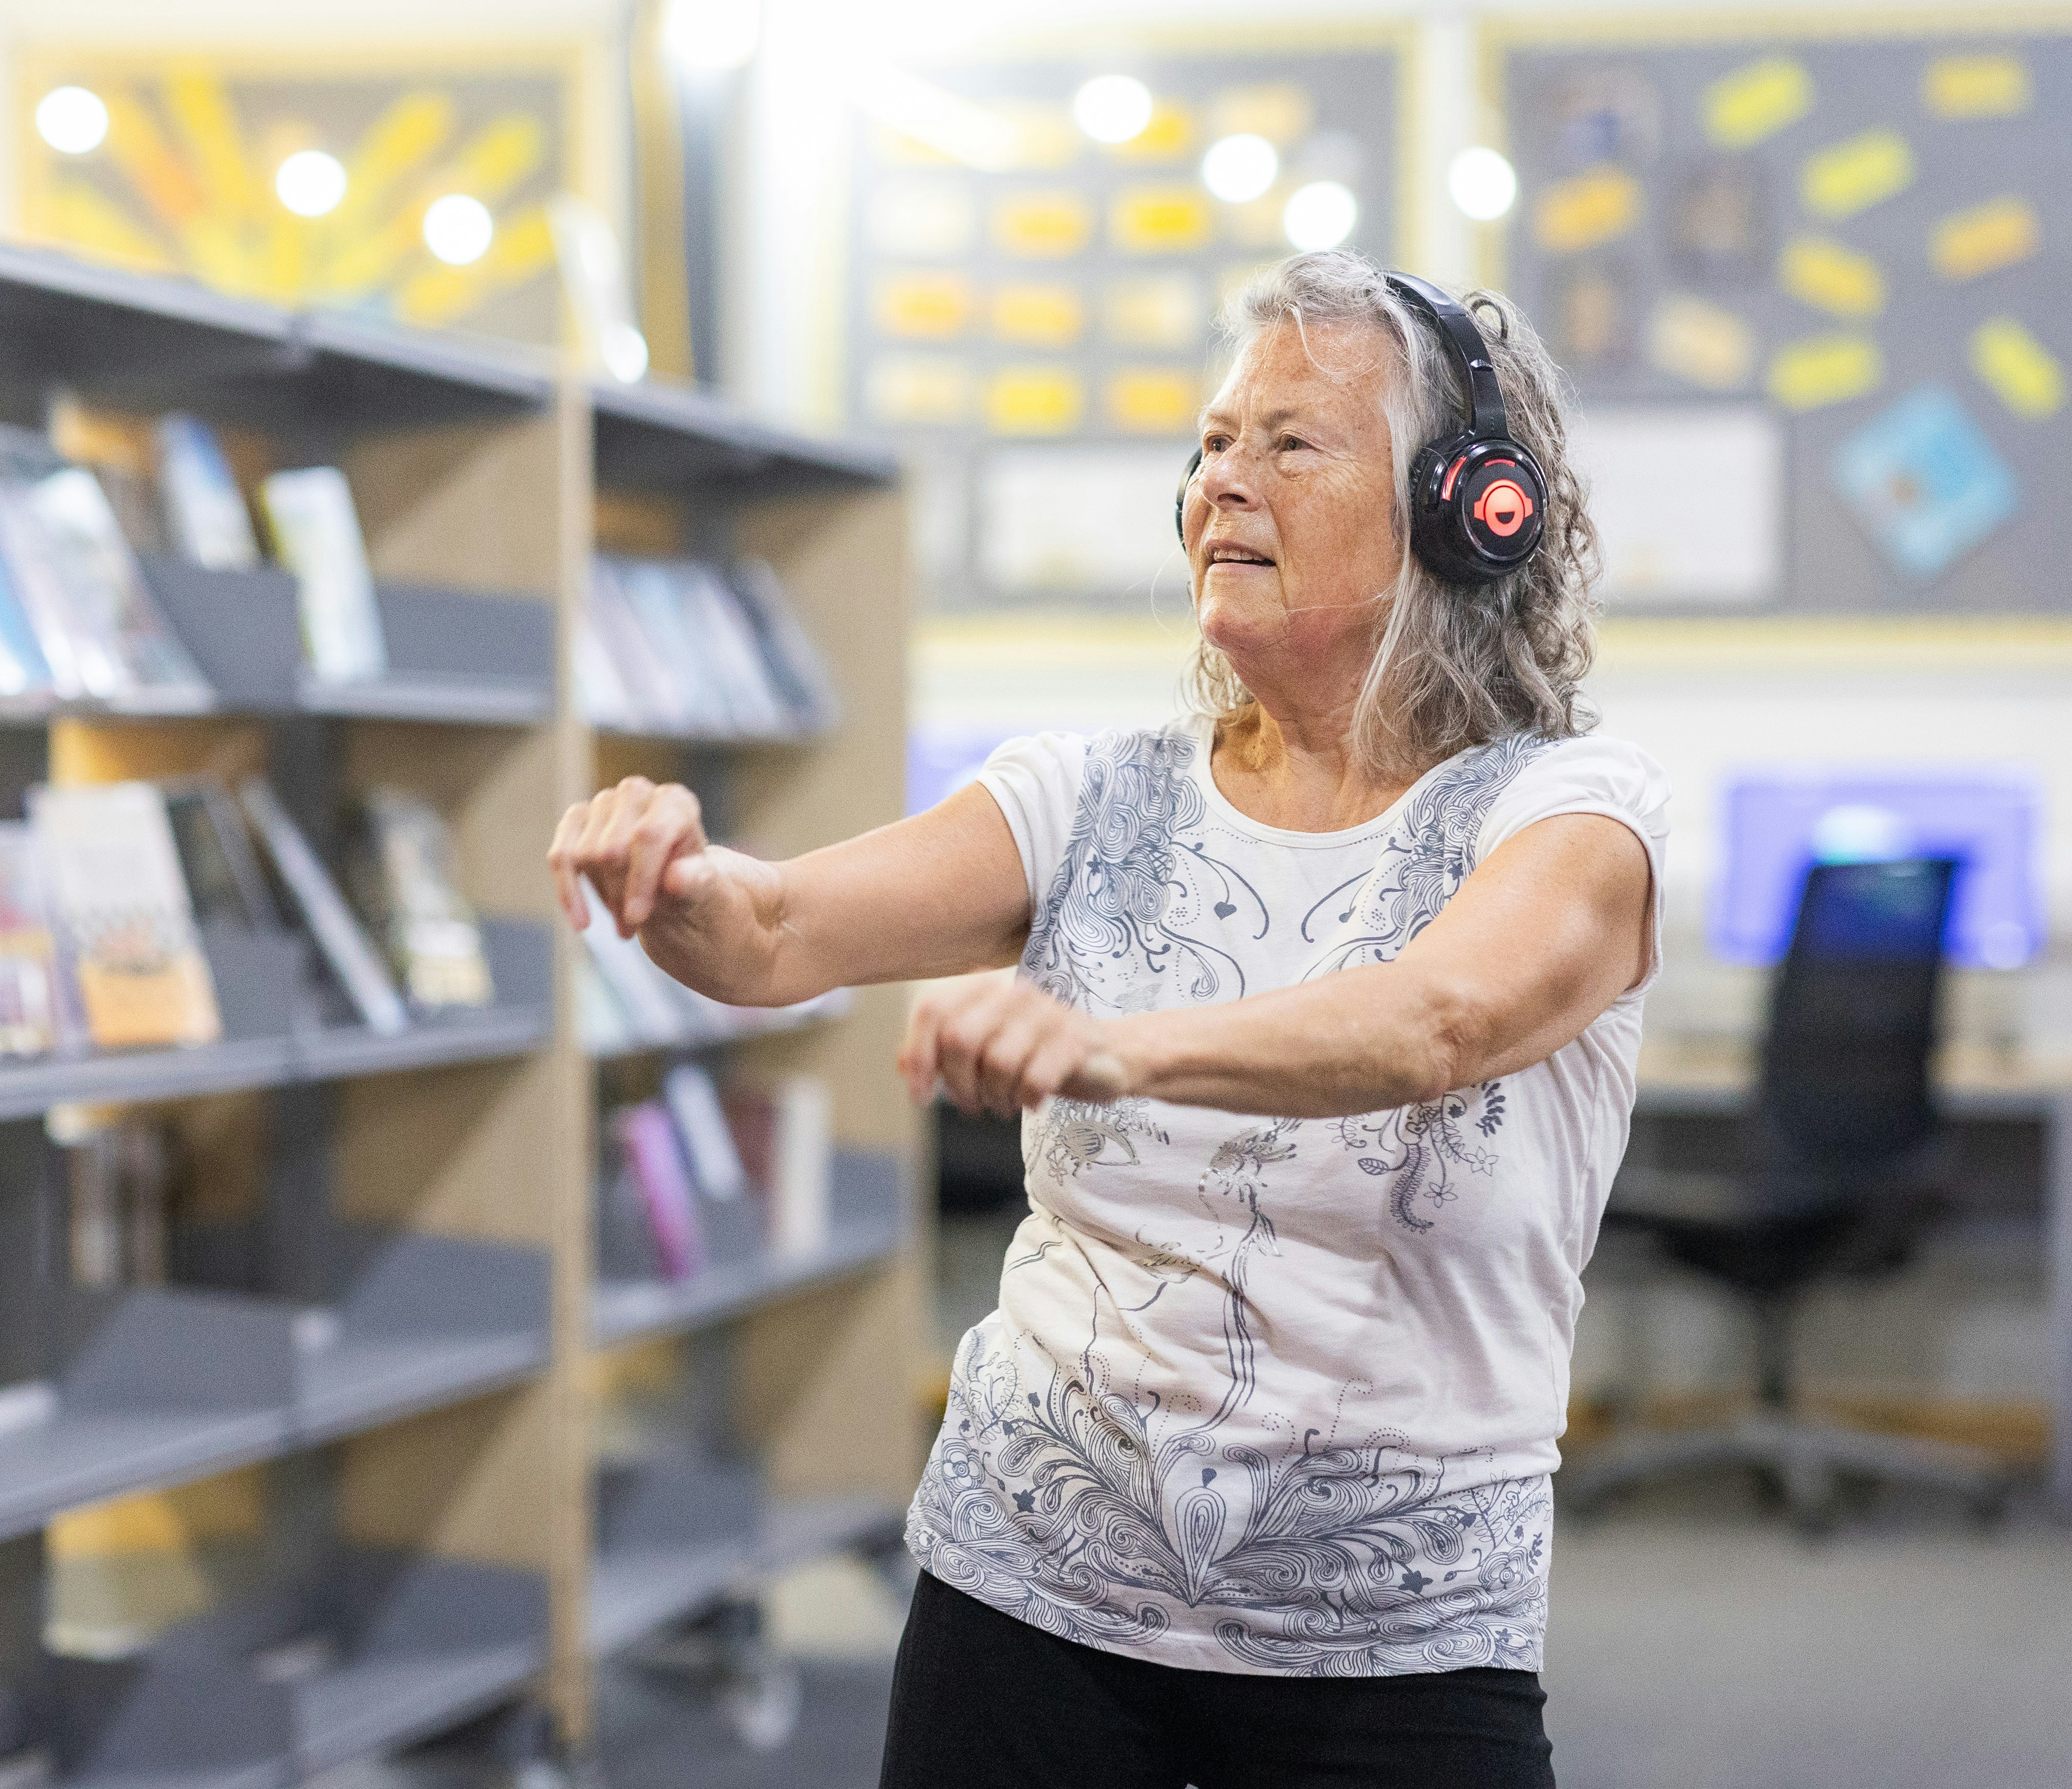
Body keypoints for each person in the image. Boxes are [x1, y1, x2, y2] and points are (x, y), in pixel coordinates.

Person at [548, 249, 1666, 1788]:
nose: (1225, 483)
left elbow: (1439, 1021)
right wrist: (677, 878)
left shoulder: (1574, 814)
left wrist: (1116, 1050)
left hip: (1392, 1647)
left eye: (1292, 443)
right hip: (1025, 1600)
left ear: (1464, 511)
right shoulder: (1089, 793)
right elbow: (774, 934)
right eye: (1213, 444)